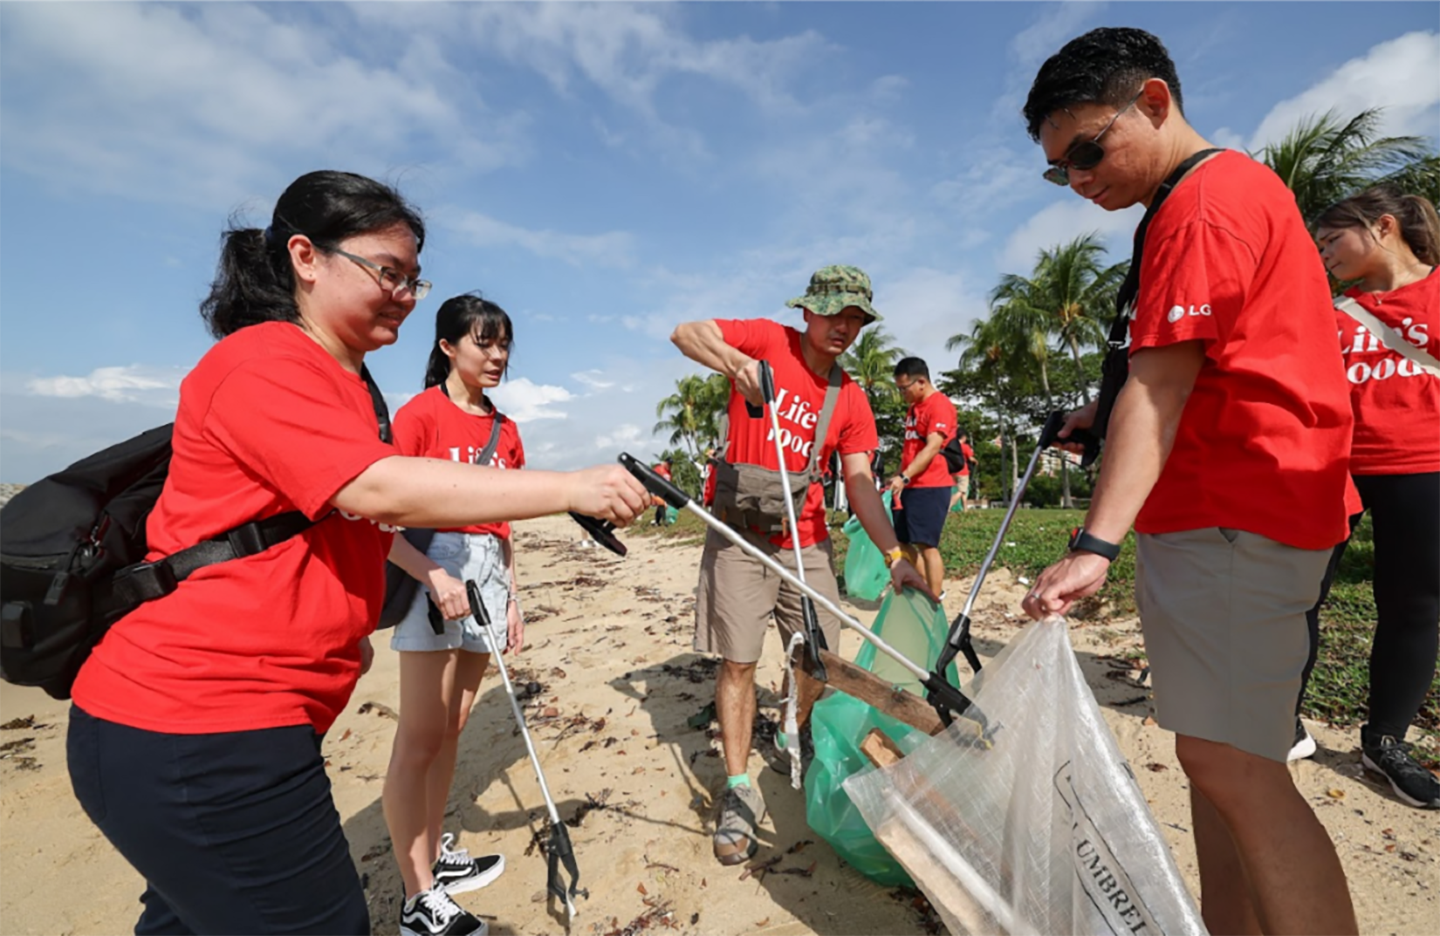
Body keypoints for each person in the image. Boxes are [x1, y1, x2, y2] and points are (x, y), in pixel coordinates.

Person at [64, 170, 648, 936]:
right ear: (305, 256)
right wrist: (571, 488)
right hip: (199, 729)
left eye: (414, 278)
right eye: (387, 272)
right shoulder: (263, 361)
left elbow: (365, 516)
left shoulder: (343, 382)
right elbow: (381, 491)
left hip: (234, 725)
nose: (405, 294)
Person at [1018, 29, 1358, 936]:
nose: (1080, 179)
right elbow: (1198, 367)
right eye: (1060, 170)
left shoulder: (1203, 204)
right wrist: (1100, 414)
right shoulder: (1194, 201)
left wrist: (1093, 546)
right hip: (1226, 508)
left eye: (1088, 150)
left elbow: (1161, 385)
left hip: (1238, 511)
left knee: (1238, 767)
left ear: (1156, 103)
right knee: (1219, 758)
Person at [670, 264, 928, 867]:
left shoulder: (852, 398)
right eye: (834, 311)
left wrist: (896, 556)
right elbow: (686, 332)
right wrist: (738, 367)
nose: (843, 326)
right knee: (738, 663)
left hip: (807, 542)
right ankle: (737, 789)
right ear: (807, 310)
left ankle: (793, 725)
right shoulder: (766, 340)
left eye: (855, 318)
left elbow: (861, 484)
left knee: (819, 658)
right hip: (740, 538)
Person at [381, 293, 528, 931]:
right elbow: (378, 518)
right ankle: (418, 899)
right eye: (483, 344)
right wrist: (432, 573)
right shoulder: (418, 416)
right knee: (418, 736)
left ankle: (436, 852)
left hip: (489, 575)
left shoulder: (509, 429)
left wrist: (514, 596)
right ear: (447, 346)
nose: (496, 356)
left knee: (453, 725)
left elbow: (506, 524)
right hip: (432, 573)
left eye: (503, 346)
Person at [1292, 185, 1440, 806]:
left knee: (1415, 606)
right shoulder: (1331, 312)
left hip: (1426, 467)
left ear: (1383, 227)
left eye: (1333, 240)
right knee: (1298, 595)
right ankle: (1280, 721)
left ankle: (1386, 743)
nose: (1325, 254)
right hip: (1334, 469)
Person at [886, 357, 957, 596]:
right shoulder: (913, 408)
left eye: (904, 388)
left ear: (921, 382)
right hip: (910, 486)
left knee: (928, 546)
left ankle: (935, 598)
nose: (902, 393)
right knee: (903, 542)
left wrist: (905, 477)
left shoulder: (939, 405)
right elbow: (910, 449)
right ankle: (924, 586)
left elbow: (932, 447)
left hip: (931, 486)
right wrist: (897, 475)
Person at [949, 431, 976, 513]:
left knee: (963, 491)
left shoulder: (952, 446)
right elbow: (970, 458)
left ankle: (965, 509)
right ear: (963, 437)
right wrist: (976, 461)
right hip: (963, 471)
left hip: (953, 471)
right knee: (961, 491)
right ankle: (949, 506)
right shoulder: (965, 447)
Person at [651, 460, 673, 525]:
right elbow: (653, 477)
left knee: (661, 506)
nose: (669, 466)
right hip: (657, 489)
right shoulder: (658, 469)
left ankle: (657, 522)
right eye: (668, 464)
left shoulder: (669, 472)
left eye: (671, 464)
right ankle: (665, 520)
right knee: (661, 504)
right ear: (665, 463)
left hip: (665, 490)